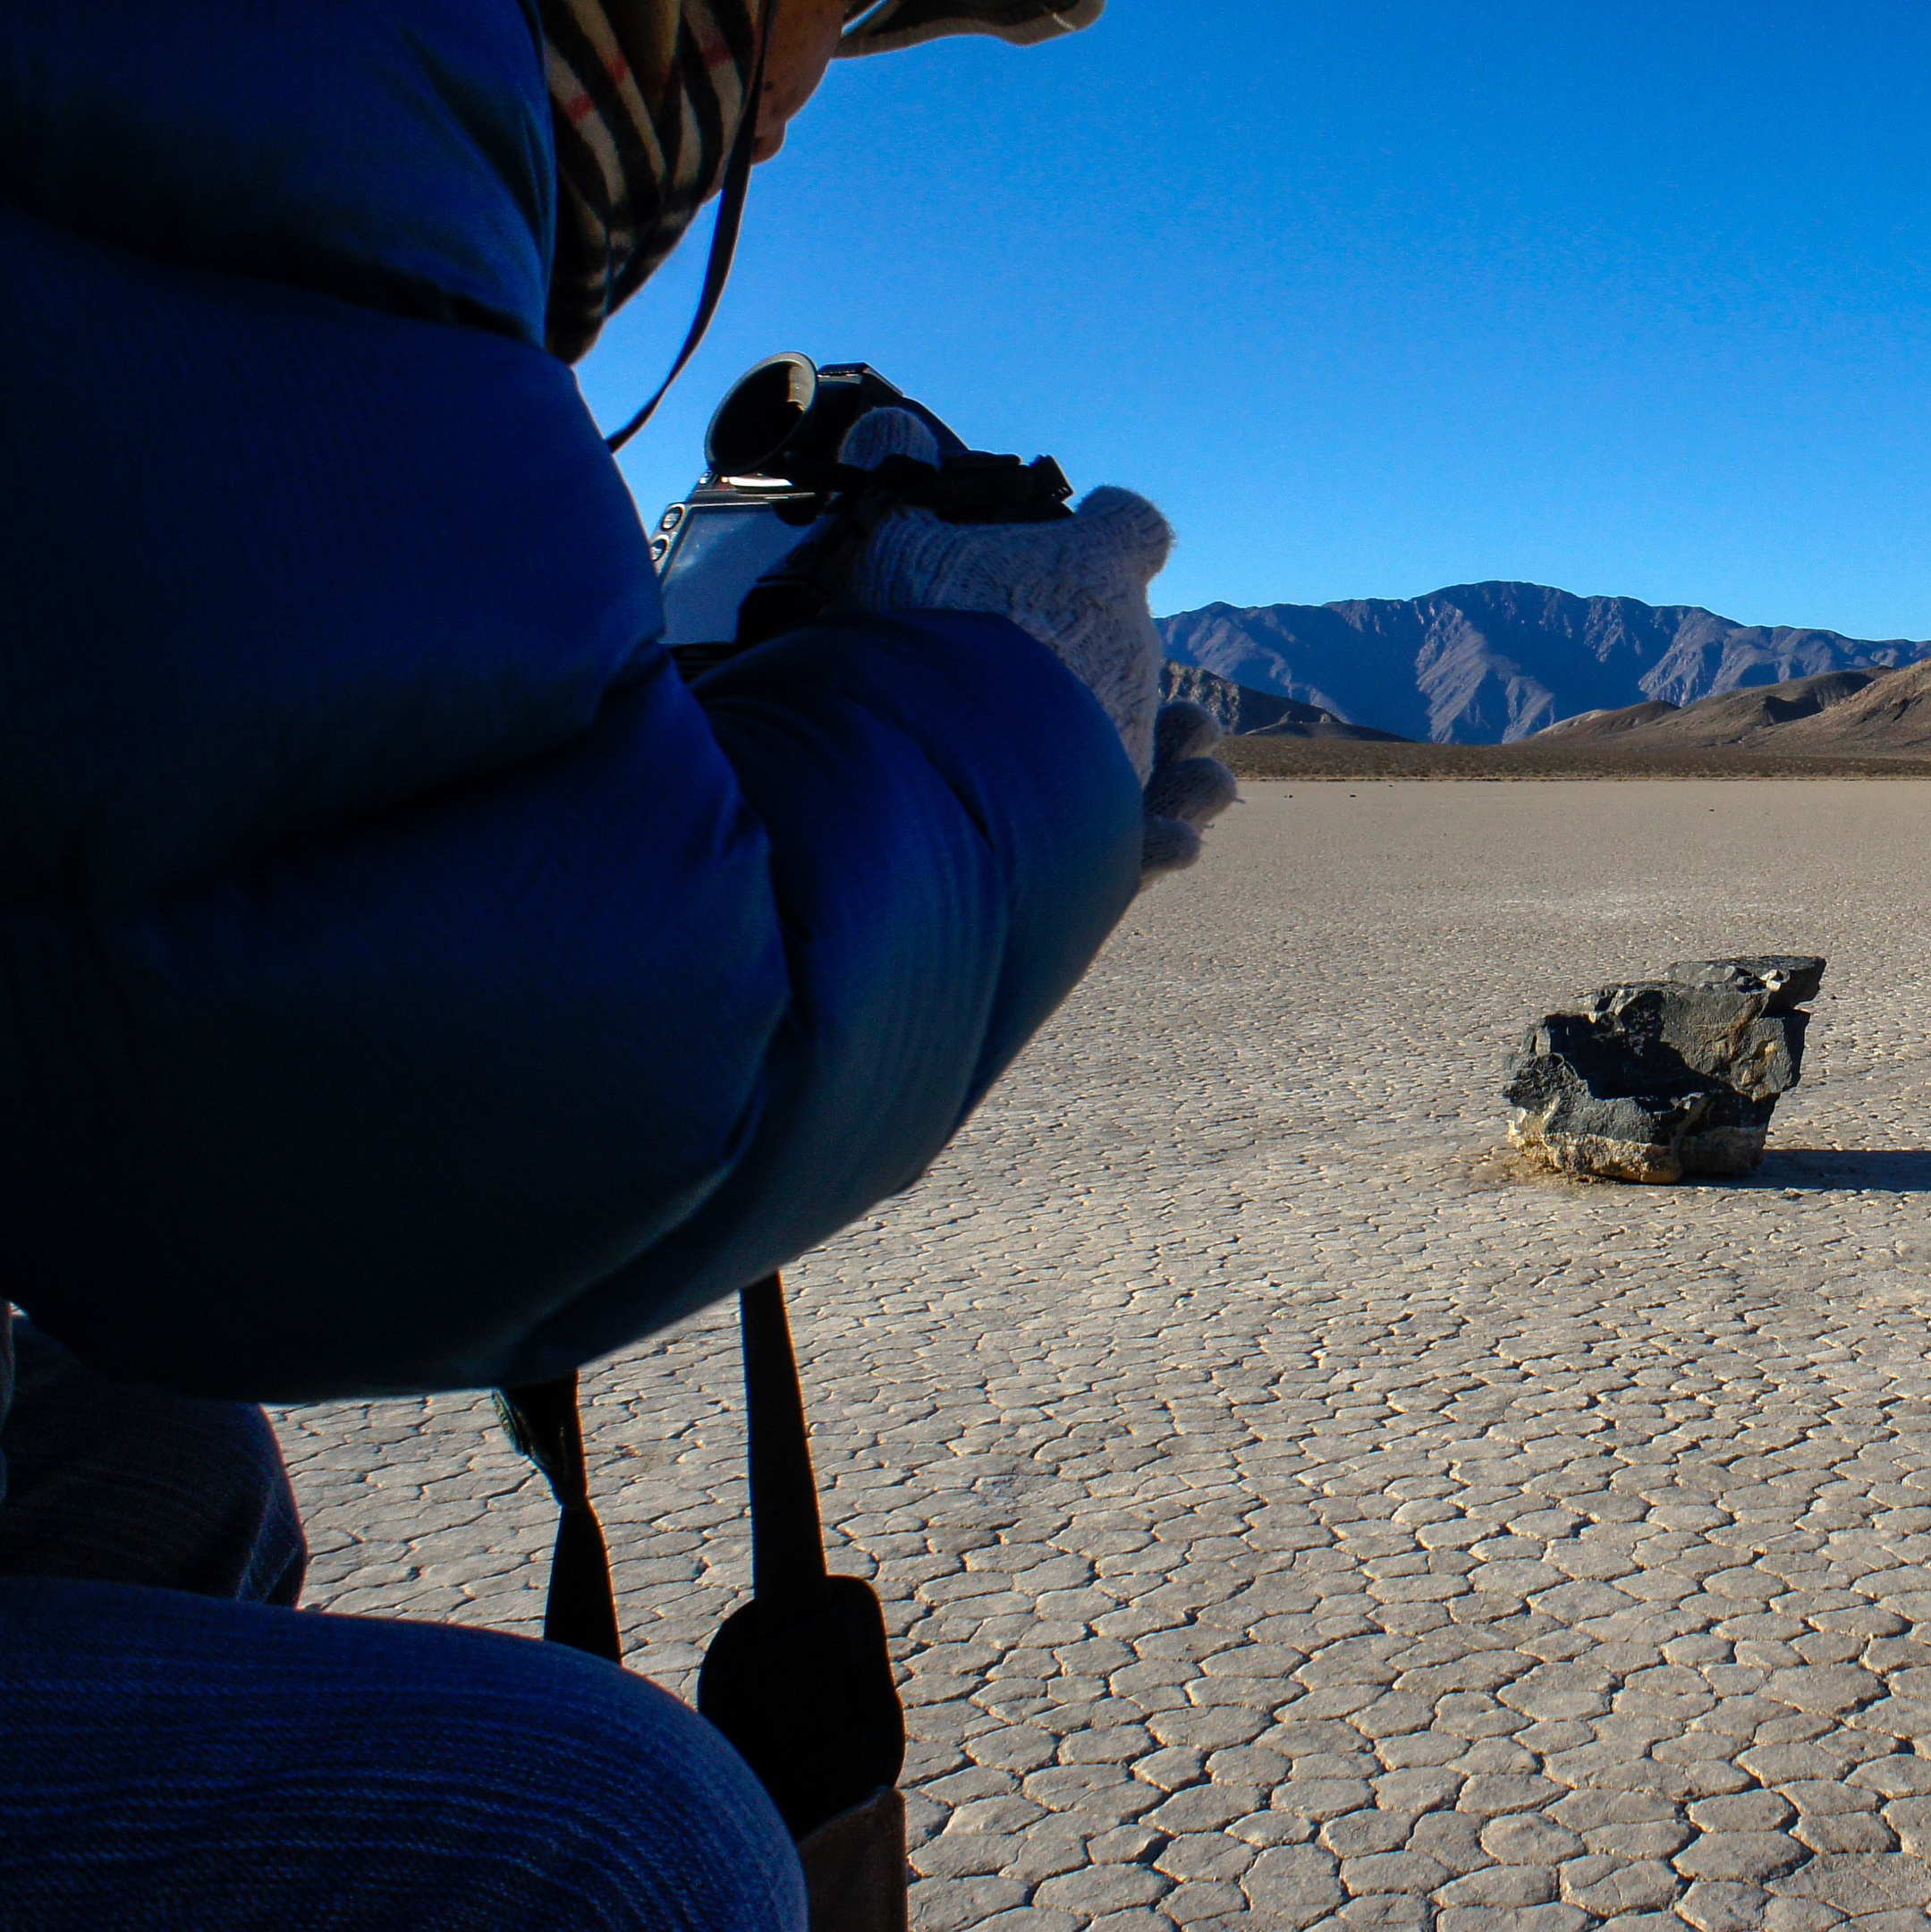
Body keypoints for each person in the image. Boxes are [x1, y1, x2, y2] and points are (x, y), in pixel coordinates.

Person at [0, 2, 1220, 1922]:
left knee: (158, 1466)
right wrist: (1016, 719)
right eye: (821, 11)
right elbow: (556, 1076)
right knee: (615, 1843)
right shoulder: (244, 111)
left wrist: (859, 751)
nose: (786, 111)